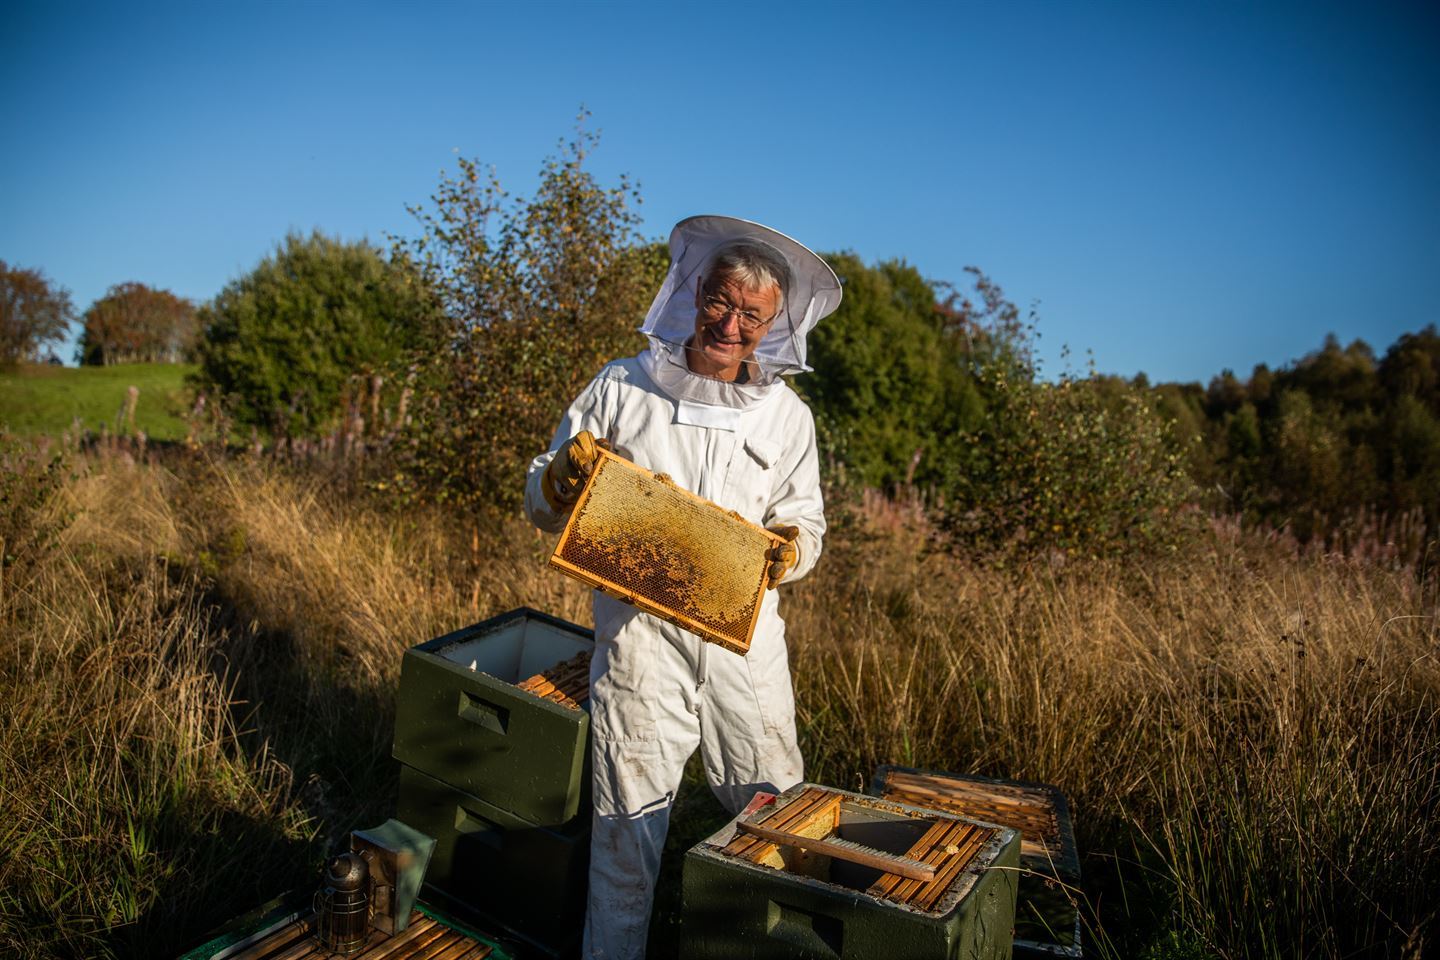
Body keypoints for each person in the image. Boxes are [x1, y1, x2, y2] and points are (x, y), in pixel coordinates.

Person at [524, 215, 842, 959]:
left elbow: (808, 525)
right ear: (697, 294)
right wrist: (562, 483)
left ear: (774, 324)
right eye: (722, 303)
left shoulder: (788, 417)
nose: (732, 325)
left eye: (752, 315)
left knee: (775, 824)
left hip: (745, 649)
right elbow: (542, 498)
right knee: (624, 838)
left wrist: (789, 554)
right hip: (640, 645)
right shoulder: (620, 388)